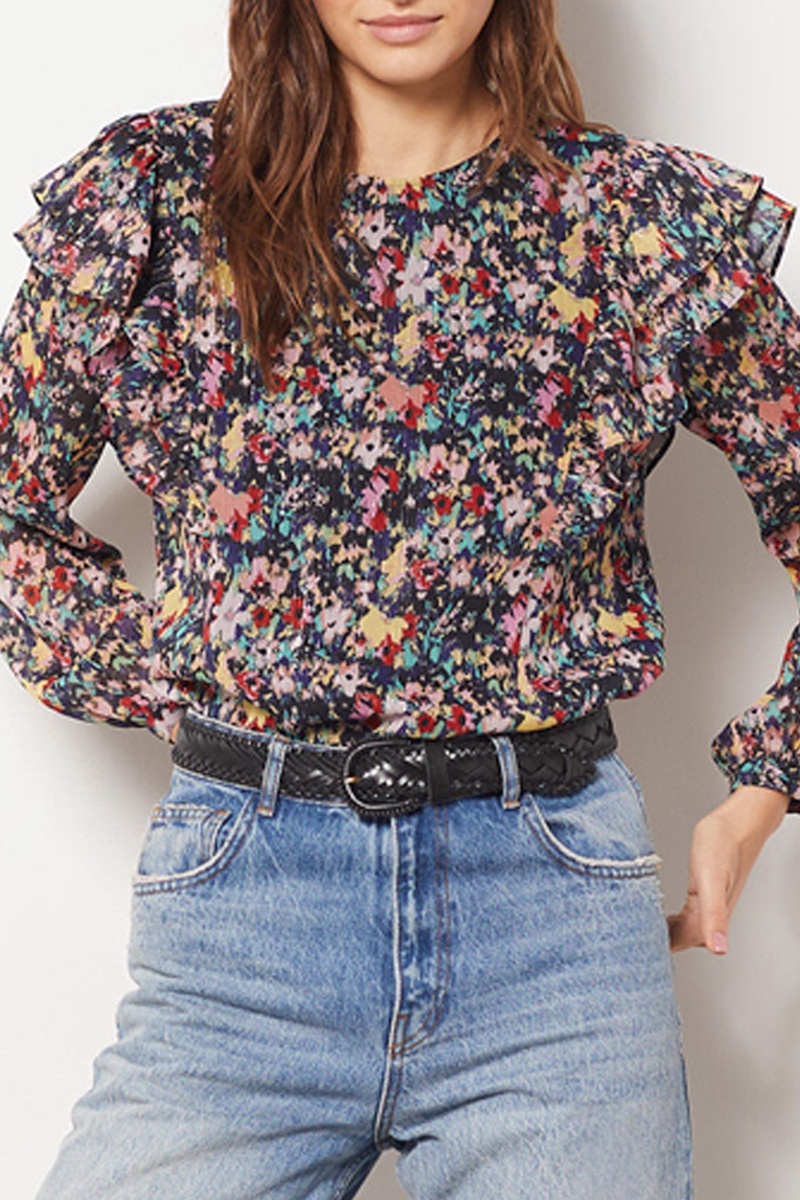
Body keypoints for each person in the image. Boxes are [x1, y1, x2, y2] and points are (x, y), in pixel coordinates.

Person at [1, 0, 797, 1196]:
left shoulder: (634, 223)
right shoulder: (155, 199)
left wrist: (761, 791)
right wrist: (183, 678)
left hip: (553, 933)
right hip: (243, 926)